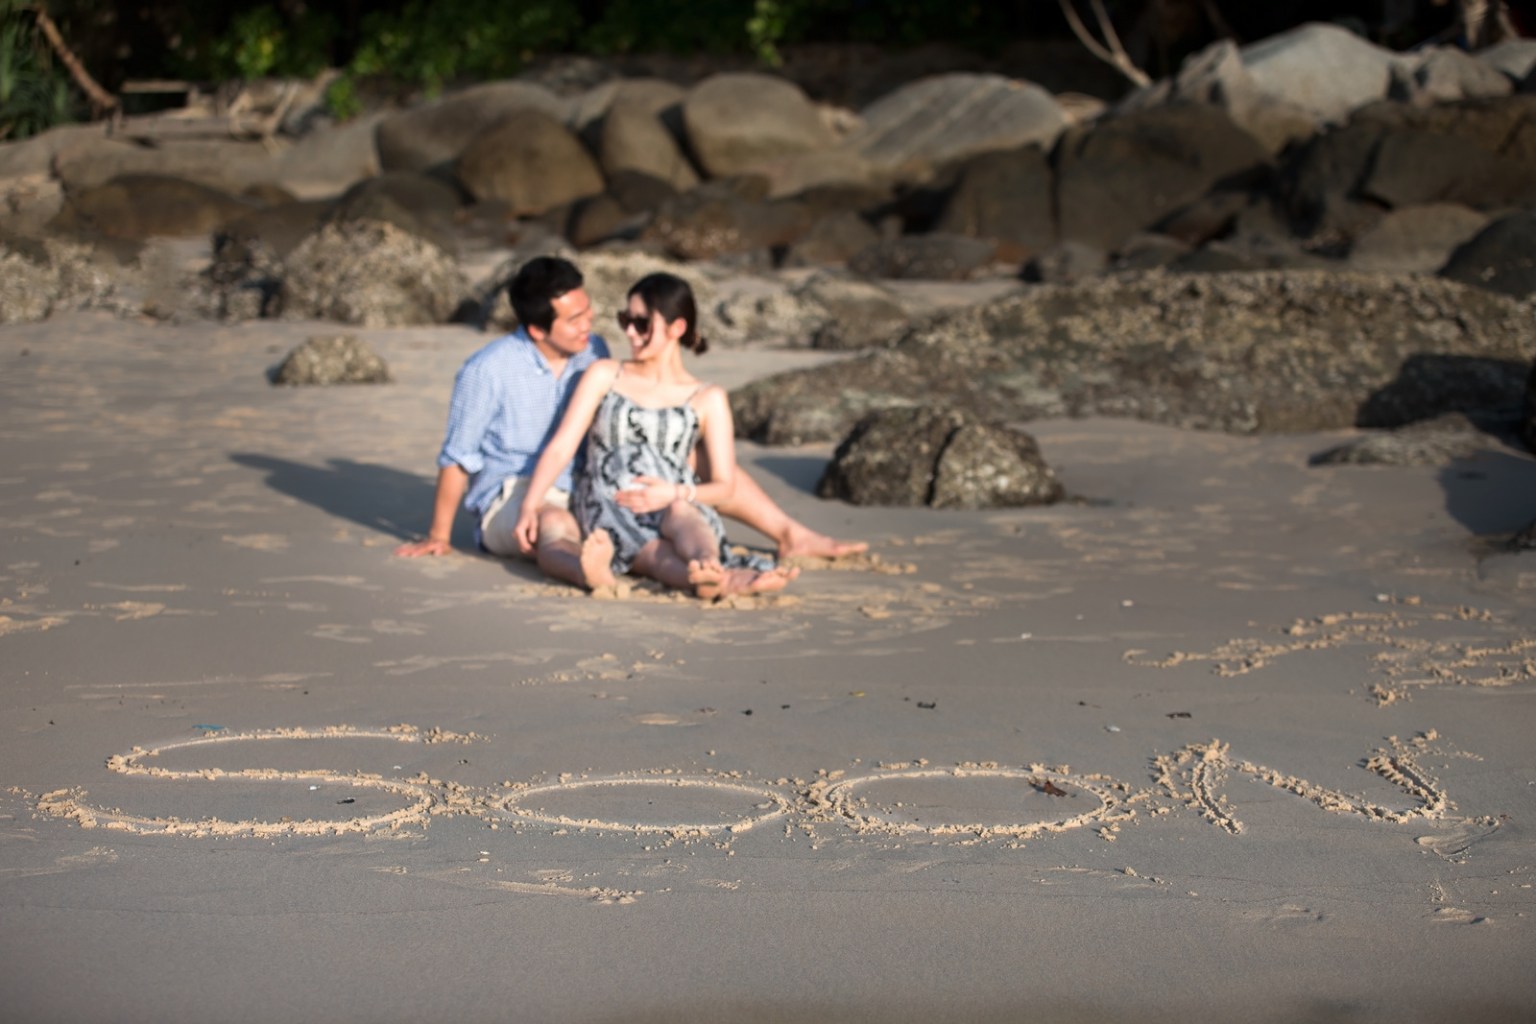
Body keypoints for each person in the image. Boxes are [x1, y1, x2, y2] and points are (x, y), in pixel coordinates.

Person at [394, 256, 863, 588]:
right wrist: (440, 535)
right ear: (538, 330)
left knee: (691, 457)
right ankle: (585, 569)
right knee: (555, 521)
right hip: (515, 488)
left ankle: (790, 534)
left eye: (589, 311)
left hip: (589, 476)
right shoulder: (487, 371)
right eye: (574, 319)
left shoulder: (592, 350)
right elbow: (458, 457)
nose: (591, 325)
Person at [514, 272, 796, 598]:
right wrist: (530, 505)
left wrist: (674, 493)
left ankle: (708, 565)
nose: (630, 333)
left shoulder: (708, 397)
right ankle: (718, 580)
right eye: (625, 320)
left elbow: (724, 486)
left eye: (642, 323)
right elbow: (562, 445)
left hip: (674, 499)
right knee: (651, 552)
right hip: (608, 500)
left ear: (677, 328)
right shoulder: (605, 374)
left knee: (682, 514)